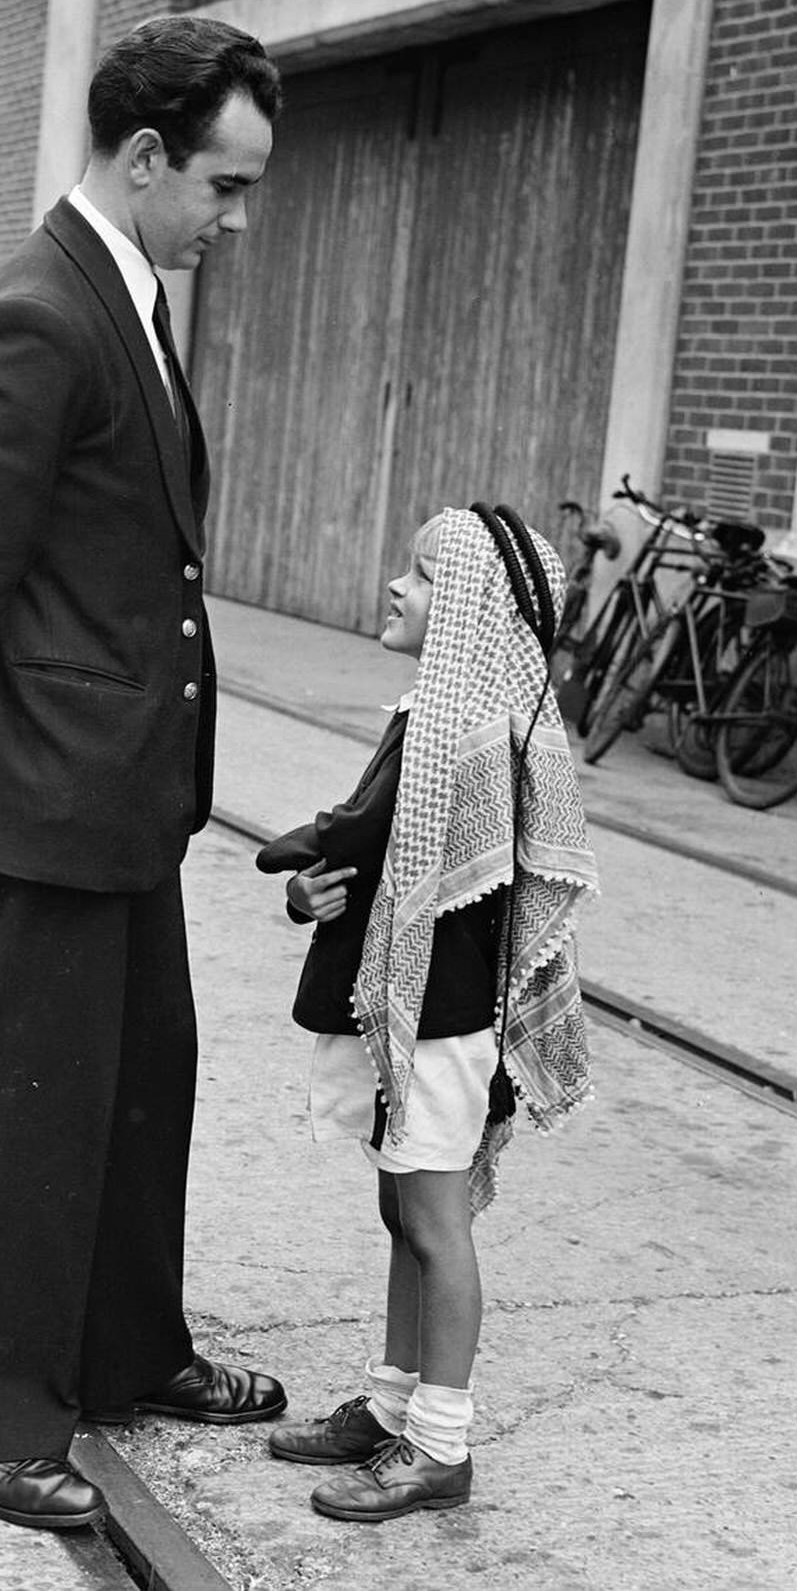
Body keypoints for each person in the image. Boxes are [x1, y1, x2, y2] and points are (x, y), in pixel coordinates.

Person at [0, 15, 286, 1532]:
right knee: (15, 1108)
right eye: (224, 186)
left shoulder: (134, 297)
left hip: (118, 788)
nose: (236, 219)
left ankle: (123, 1346)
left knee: (134, 1084)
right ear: (147, 154)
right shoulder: (41, 310)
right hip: (37, 792)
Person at [255, 507, 598, 1522]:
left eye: (422, 576)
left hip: (445, 1021)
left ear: (471, 619)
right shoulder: (437, 715)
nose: (396, 586)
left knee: (435, 1219)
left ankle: (438, 1442)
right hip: (416, 1008)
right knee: (400, 1204)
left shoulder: (471, 736)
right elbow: (371, 863)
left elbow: (359, 834)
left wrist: (292, 855)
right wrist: (309, 887)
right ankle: (392, 1397)